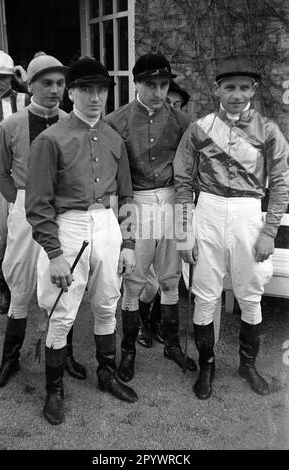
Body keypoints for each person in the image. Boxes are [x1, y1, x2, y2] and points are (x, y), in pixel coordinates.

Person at [25, 57, 138, 425]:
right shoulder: (50, 139)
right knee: (62, 311)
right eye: (85, 90)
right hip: (68, 226)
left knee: (108, 304)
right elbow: (38, 203)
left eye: (100, 89)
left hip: (106, 224)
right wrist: (54, 253)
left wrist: (129, 245)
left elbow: (127, 197)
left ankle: (106, 374)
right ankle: (54, 390)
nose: (94, 97)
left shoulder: (113, 138)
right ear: (70, 92)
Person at [173, 55, 289, 400]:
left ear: (252, 89)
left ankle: (247, 364)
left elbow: (281, 184)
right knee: (205, 293)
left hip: (248, 213)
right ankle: (207, 365)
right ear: (217, 89)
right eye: (229, 87)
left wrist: (269, 232)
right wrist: (184, 233)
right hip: (207, 209)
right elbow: (182, 182)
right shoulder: (200, 127)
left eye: (243, 88)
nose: (236, 94)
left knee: (250, 293)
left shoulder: (268, 130)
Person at [0, 54, 86, 391]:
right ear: (29, 85)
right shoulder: (12, 125)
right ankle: (10, 359)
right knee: (19, 283)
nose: (55, 90)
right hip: (23, 207)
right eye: (46, 83)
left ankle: (68, 353)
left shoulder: (72, 123)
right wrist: (19, 201)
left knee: (65, 284)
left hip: (62, 212)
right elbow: (0, 170)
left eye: (60, 84)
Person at [105, 53, 197, 383]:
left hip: (174, 201)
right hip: (135, 202)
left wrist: (187, 221)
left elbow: (191, 170)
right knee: (134, 277)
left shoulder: (182, 121)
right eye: (150, 85)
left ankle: (172, 345)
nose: (158, 92)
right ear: (137, 84)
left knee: (172, 277)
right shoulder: (116, 121)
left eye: (163, 84)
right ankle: (128, 352)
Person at [137, 79, 190, 348]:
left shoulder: (183, 131)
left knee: (169, 273)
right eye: (167, 101)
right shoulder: (140, 131)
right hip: (142, 203)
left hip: (175, 201)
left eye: (176, 104)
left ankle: (160, 324)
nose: (170, 107)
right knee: (145, 275)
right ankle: (142, 324)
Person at [0, 50, 30, 316]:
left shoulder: (23, 99)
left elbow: (50, 105)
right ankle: (5, 291)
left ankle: (22, 290)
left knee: (19, 235)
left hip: (16, 180)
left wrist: (27, 80)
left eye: (4, 77)